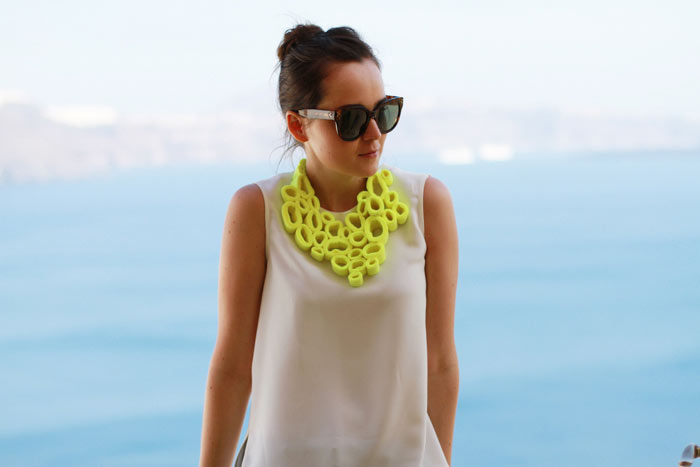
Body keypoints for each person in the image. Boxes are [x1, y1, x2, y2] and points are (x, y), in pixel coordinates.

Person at [199, 23, 459, 467]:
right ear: (298, 125)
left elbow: (440, 364)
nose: (374, 133)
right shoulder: (256, 211)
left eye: (384, 112)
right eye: (352, 119)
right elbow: (232, 367)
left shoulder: (426, 204)